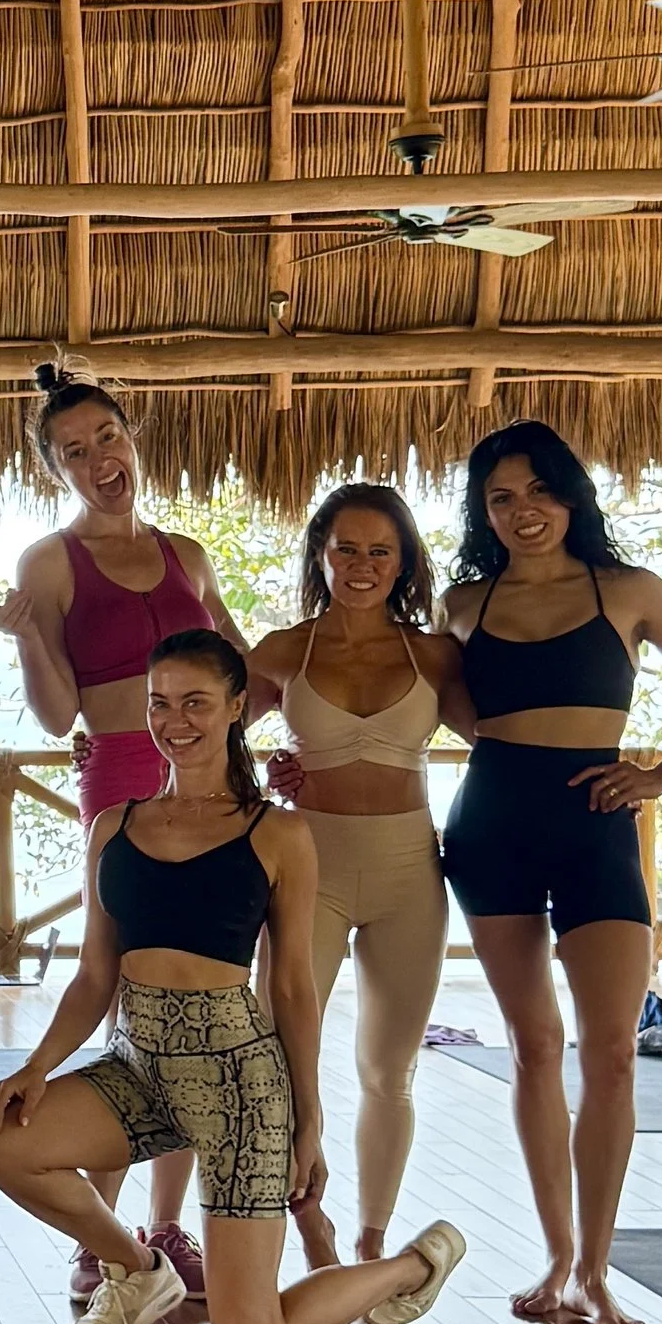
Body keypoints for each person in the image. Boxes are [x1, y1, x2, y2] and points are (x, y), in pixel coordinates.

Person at [0, 630, 466, 1324]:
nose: (175, 721)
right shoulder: (114, 826)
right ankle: (140, 1269)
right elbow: (94, 976)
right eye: (159, 703)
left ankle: (414, 1265)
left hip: (240, 1087)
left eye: (195, 702)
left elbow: (291, 987)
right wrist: (36, 1067)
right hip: (137, 1069)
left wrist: (307, 1120)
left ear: (237, 706)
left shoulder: (280, 833)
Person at [442, 421, 662, 1324]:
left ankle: (596, 1272)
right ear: (483, 513)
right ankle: (556, 1256)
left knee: (612, 1053)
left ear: (570, 494)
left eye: (539, 490)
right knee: (534, 1046)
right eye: (501, 498)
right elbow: (410, 701)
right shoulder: (462, 605)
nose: (523, 511)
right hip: (491, 826)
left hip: (597, 826)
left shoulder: (630, 591)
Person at [0, 369, 251, 1298]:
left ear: (131, 438)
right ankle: (102, 1236)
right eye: (75, 451)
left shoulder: (189, 554)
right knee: (129, 995)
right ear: (55, 469)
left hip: (215, 781)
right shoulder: (51, 563)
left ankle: (167, 1226)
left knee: (200, 996)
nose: (99, 459)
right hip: (121, 776)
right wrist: (26, 636)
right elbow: (58, 714)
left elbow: (240, 674)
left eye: (108, 437)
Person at [250, 481, 462, 1268]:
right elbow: (199, 725)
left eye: (381, 551)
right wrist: (263, 775)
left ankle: (371, 1244)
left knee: (388, 1071)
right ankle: (312, 1227)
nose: (362, 565)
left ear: (403, 562)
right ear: (321, 554)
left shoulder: (434, 653)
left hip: (411, 871)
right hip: (314, 867)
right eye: (346, 549)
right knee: (277, 1060)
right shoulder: (284, 649)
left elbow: (511, 737)